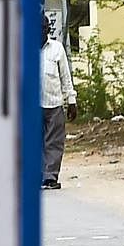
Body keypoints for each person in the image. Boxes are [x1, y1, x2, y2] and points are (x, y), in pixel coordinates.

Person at [42, 13, 78, 189]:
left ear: (47, 30)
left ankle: (50, 177)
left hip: (54, 103)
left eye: (42, 29)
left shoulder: (57, 48)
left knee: (54, 142)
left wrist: (71, 100)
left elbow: (65, 76)